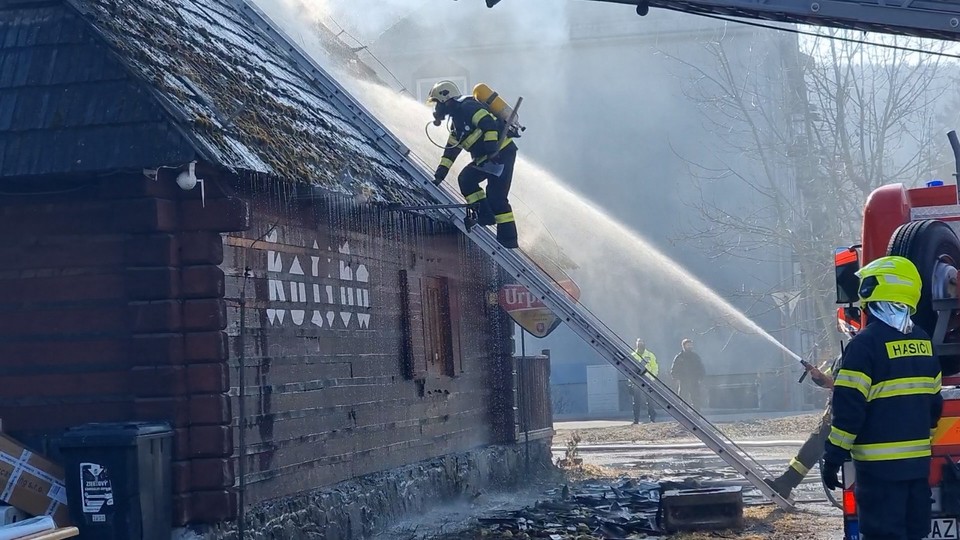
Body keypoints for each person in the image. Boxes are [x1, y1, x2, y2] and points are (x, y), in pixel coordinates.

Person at [821, 256, 943, 540]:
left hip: (879, 475)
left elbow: (849, 411)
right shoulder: (924, 341)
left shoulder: (864, 346)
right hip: (916, 470)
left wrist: (833, 456)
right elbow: (934, 406)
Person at [425, 80, 519, 248]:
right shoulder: (455, 124)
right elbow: (450, 151)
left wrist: (491, 149)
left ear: (446, 98)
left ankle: (508, 240)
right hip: (487, 158)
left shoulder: (468, 107)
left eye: (438, 103)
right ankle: (485, 214)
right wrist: (440, 174)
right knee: (467, 180)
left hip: (502, 153)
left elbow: (488, 124)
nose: (437, 108)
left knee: (496, 196)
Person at [629, 339, 659, 423]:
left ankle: (652, 419)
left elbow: (655, 367)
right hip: (637, 381)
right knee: (636, 401)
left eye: (642, 343)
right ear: (636, 344)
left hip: (648, 380)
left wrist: (652, 378)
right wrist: (631, 380)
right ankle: (636, 420)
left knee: (650, 400)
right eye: (639, 343)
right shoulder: (633, 355)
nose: (640, 344)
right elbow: (629, 368)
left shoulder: (650, 355)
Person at [671, 338, 705, 408]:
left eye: (690, 345)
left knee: (696, 400)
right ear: (683, 346)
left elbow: (701, 368)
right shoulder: (679, 357)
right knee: (683, 400)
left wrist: (700, 378)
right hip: (683, 382)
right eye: (688, 345)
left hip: (694, 381)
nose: (690, 346)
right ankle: (683, 416)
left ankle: (696, 416)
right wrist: (676, 378)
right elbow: (674, 370)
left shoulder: (695, 357)